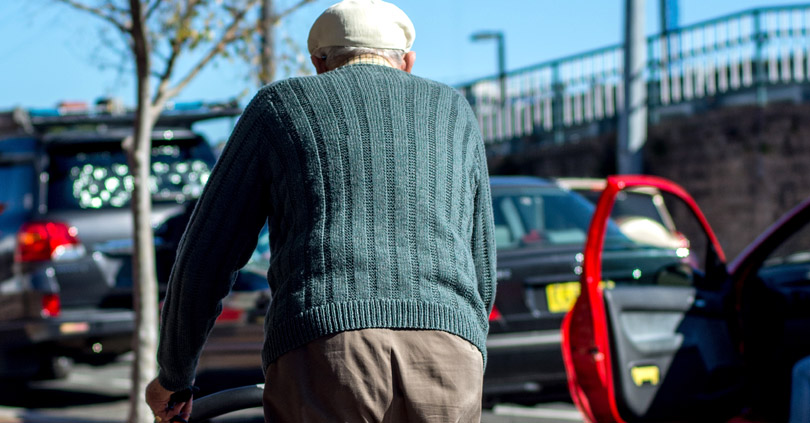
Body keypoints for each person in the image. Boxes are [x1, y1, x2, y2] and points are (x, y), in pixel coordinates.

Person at [145, 0, 497, 422]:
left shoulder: (280, 105)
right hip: (449, 349)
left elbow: (207, 253)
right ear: (407, 62)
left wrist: (175, 374)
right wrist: (466, 345)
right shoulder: (454, 110)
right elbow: (482, 268)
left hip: (328, 346)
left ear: (318, 62)